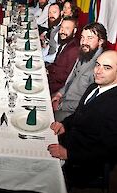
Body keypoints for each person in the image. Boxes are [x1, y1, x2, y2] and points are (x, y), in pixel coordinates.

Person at [48, 50, 117, 187]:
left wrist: (69, 154)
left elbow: (108, 150)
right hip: (69, 140)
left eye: (107, 67)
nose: (98, 71)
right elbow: (79, 114)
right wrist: (64, 125)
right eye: (97, 65)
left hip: (83, 163)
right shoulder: (94, 87)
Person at [52, 23, 107, 121]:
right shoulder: (85, 53)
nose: (84, 42)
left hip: (74, 113)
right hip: (64, 99)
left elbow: (88, 102)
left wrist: (60, 105)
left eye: (90, 38)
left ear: (101, 42)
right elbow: (71, 80)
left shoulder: (99, 67)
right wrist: (59, 94)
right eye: (82, 37)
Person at [47, 17, 79, 94]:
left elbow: (66, 77)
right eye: (61, 27)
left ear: (74, 31)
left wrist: (47, 74)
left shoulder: (74, 50)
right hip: (51, 79)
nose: (62, 31)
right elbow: (56, 64)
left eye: (67, 28)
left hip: (55, 88)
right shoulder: (65, 43)